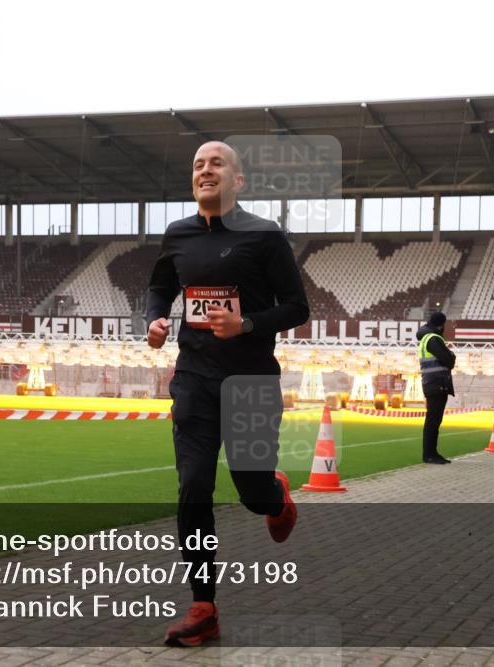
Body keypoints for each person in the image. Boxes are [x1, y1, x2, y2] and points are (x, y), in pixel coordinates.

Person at [145, 141, 310, 647]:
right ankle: (204, 605)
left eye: (216, 163)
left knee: (250, 492)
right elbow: (158, 288)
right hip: (193, 379)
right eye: (197, 164)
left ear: (238, 181)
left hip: (250, 382)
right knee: (193, 485)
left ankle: (275, 496)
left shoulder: (263, 236)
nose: (205, 170)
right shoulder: (178, 236)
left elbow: (297, 307)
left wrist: (247, 324)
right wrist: (152, 318)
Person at [416, 311, 457, 464]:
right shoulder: (434, 339)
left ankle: (431, 453)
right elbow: (448, 360)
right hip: (437, 383)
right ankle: (430, 454)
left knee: (433, 420)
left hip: (431, 383)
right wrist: (451, 355)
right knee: (433, 421)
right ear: (441, 325)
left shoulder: (426, 338)